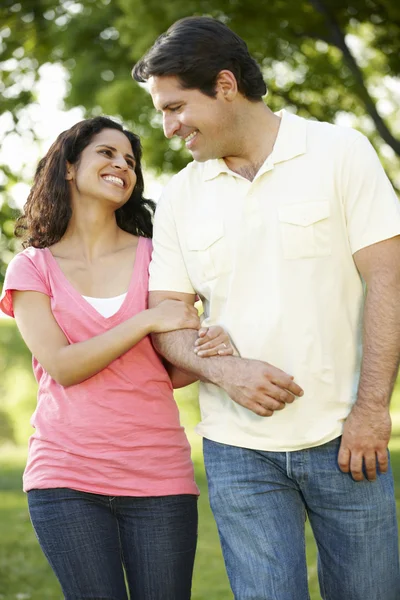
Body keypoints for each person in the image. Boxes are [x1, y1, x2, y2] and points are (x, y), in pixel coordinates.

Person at [132, 16, 400, 600]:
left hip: (349, 439)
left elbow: (389, 281)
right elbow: (168, 319)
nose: (170, 126)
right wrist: (224, 370)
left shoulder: (340, 152)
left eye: (175, 107)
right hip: (239, 452)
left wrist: (372, 409)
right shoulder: (179, 197)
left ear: (225, 85)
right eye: (162, 112)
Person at [0, 115, 235, 600]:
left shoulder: (157, 256)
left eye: (129, 160)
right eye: (106, 153)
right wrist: (145, 322)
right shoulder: (32, 266)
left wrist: (208, 350)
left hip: (159, 473)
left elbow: (166, 371)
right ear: (68, 166)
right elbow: (63, 366)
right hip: (66, 477)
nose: (121, 166)